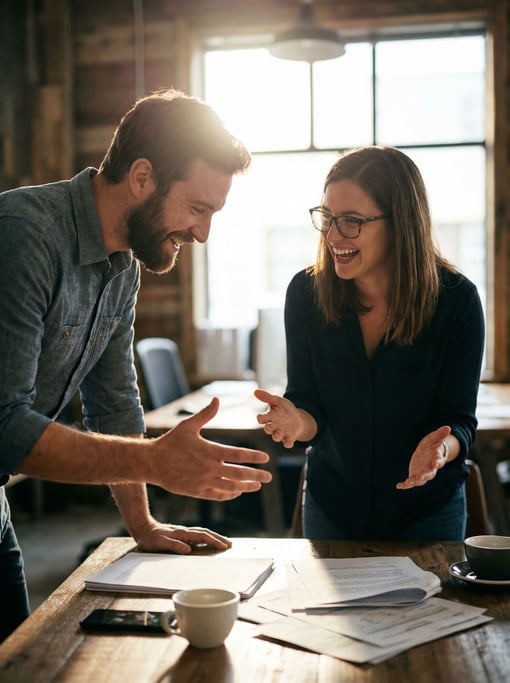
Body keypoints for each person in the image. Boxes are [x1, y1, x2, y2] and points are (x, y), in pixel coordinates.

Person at [0, 88, 272, 641]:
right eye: (197, 208)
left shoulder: (124, 261)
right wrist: (155, 461)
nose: (202, 233)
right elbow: (4, 427)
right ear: (143, 176)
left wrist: (142, 523)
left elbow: (116, 401)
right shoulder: (26, 234)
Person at [255, 145, 484, 542]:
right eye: (327, 218)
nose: (333, 235)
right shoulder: (305, 293)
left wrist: (440, 452)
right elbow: (310, 405)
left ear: (401, 224)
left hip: (427, 508)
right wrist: (297, 421)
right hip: (334, 505)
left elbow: (459, 420)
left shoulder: (456, 300)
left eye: (352, 221)